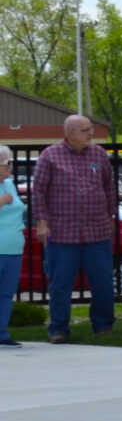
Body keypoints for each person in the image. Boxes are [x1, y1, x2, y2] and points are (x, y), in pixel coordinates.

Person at [29, 114, 119, 345]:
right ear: (69, 133)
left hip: (97, 230)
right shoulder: (50, 156)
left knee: (103, 281)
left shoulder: (99, 155)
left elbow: (109, 186)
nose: (91, 134)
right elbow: (38, 191)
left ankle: (103, 324)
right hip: (62, 232)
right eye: (85, 130)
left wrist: (110, 215)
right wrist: (42, 222)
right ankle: (58, 328)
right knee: (61, 283)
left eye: (91, 129)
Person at [0, 144, 23, 348]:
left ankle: (2, 333)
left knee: (6, 292)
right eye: (7, 163)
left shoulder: (10, 184)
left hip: (13, 247)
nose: (10, 167)